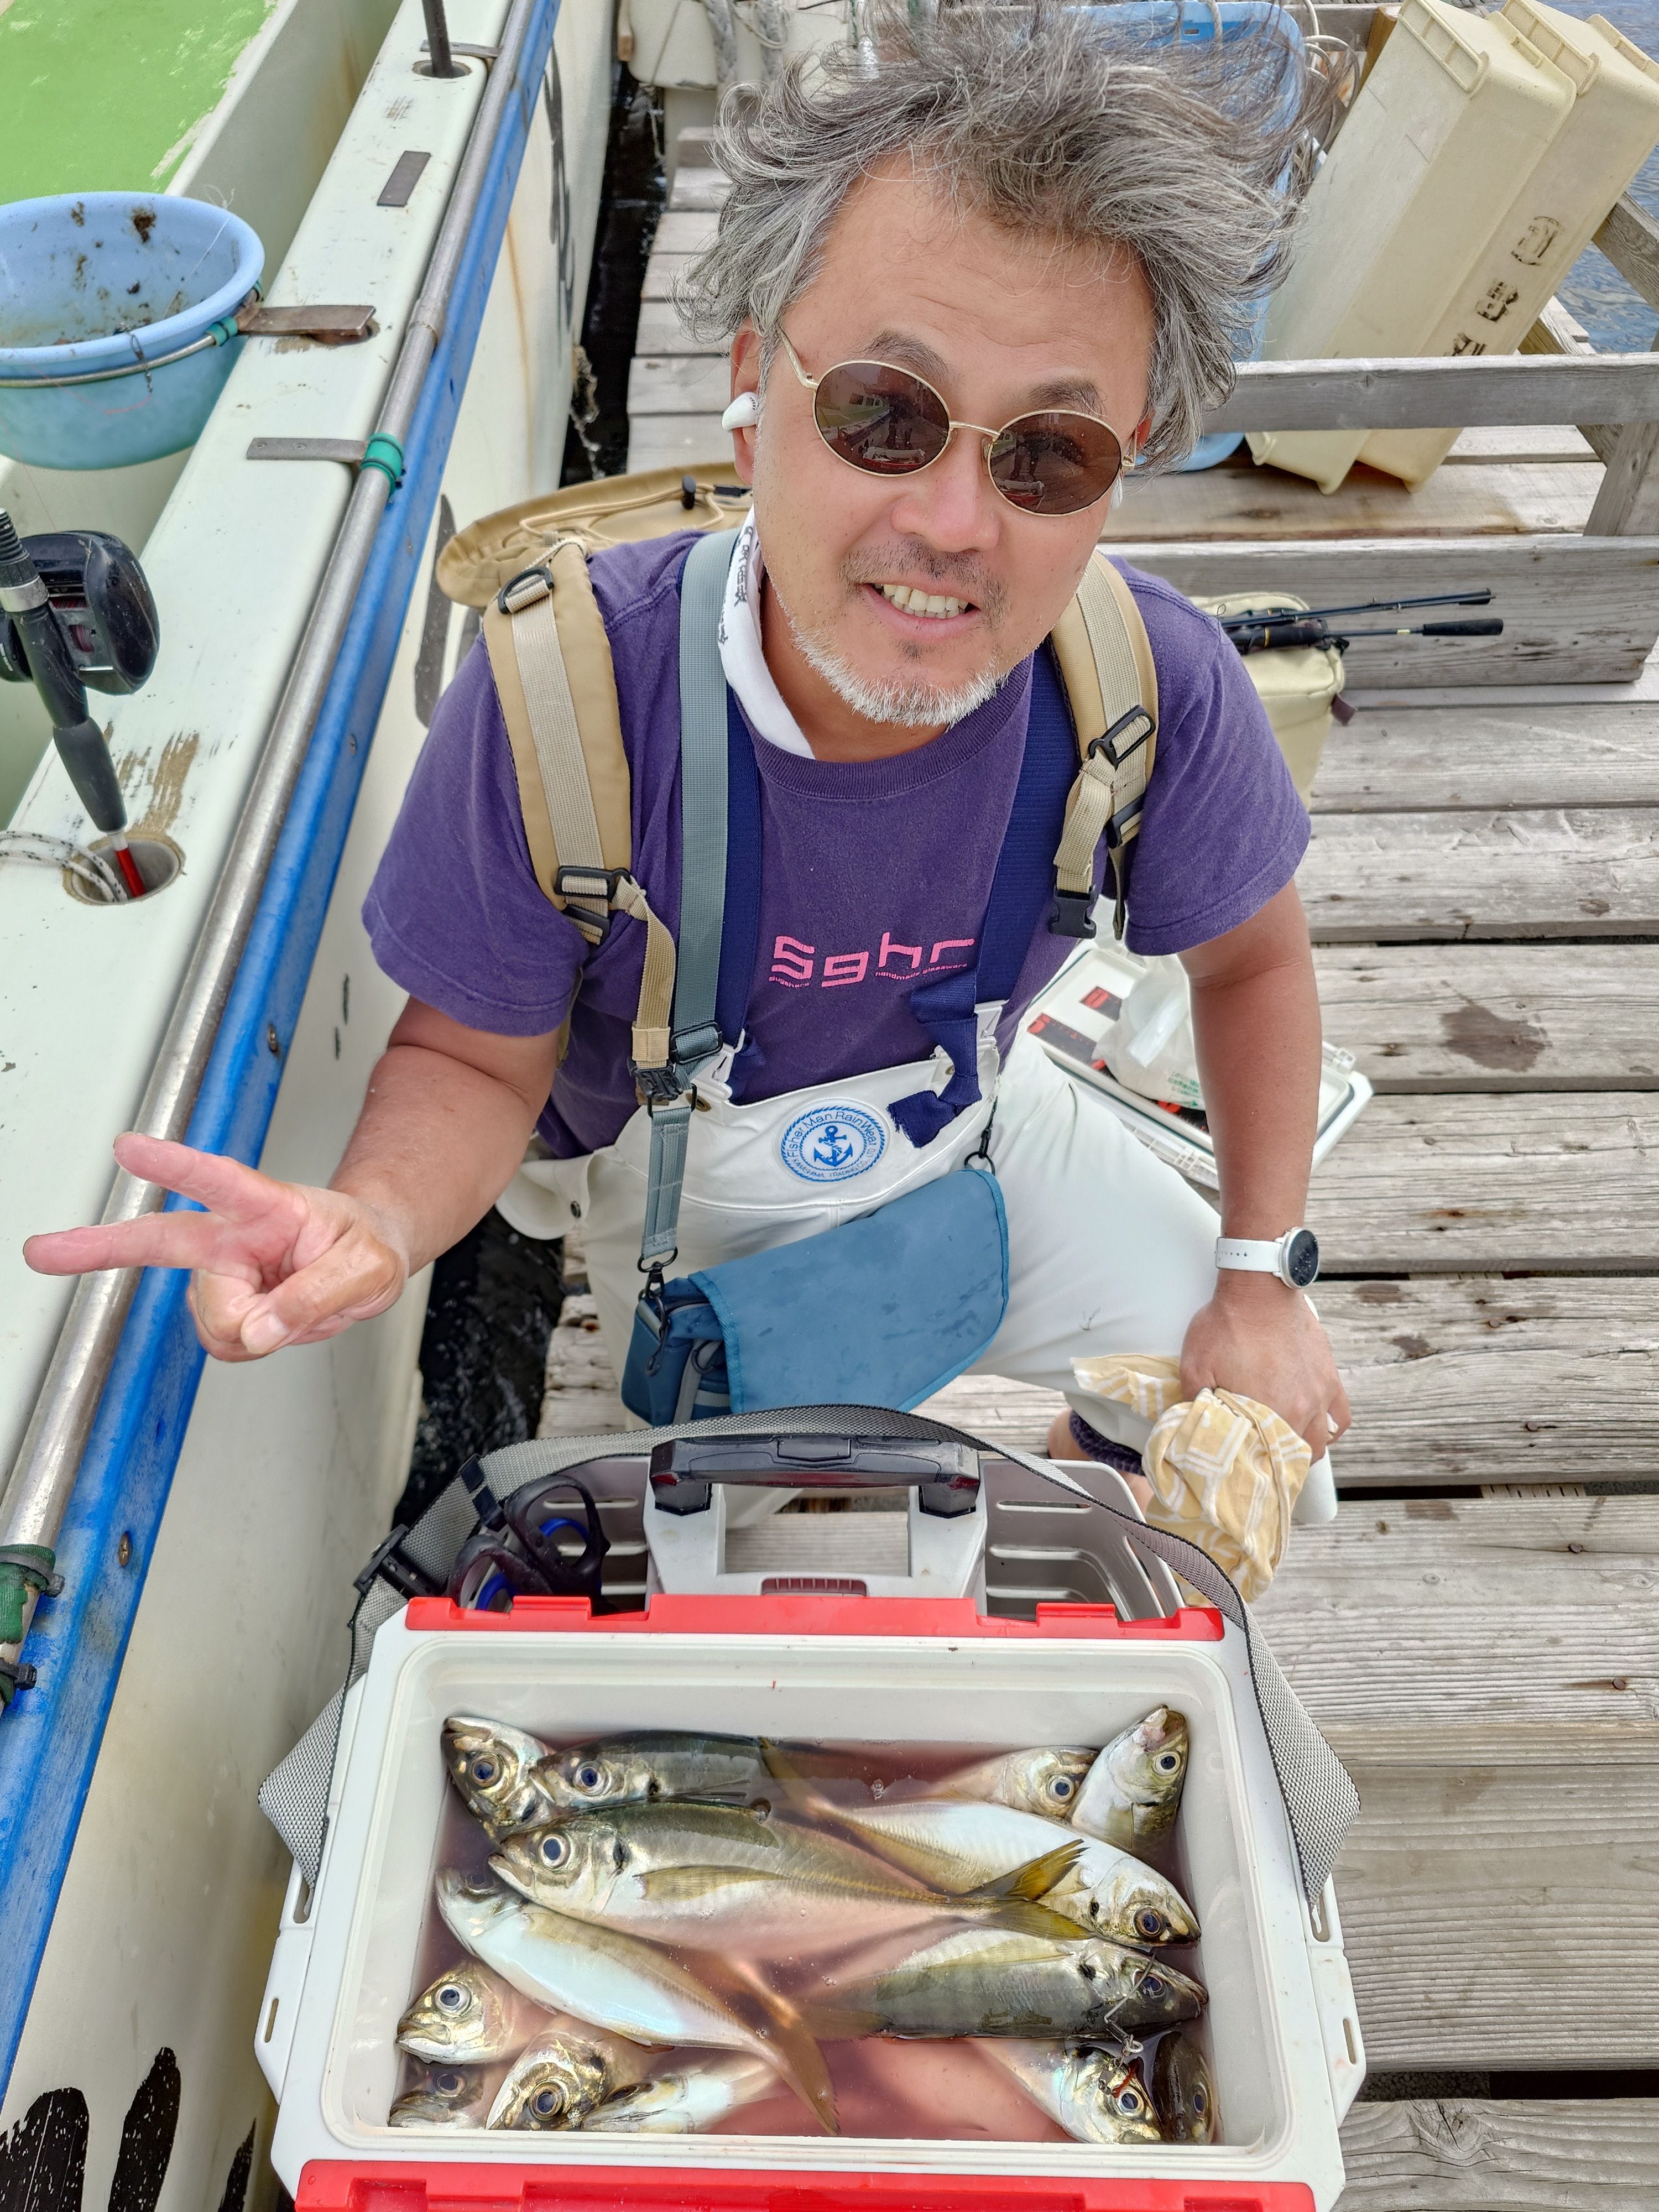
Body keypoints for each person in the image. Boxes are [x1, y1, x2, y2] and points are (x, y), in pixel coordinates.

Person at [25, 3, 1352, 1479]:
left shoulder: (1151, 682)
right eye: (883, 415)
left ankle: (1083, 1446)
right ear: (748, 398)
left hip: (979, 1115)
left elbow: (1254, 963)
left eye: (1050, 452)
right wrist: (379, 1221)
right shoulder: (568, 697)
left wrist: (1260, 1274)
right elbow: (474, 1060)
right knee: (775, 1565)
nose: (954, 523)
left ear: (1125, 468)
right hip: (680, 1189)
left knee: (1263, 1436)